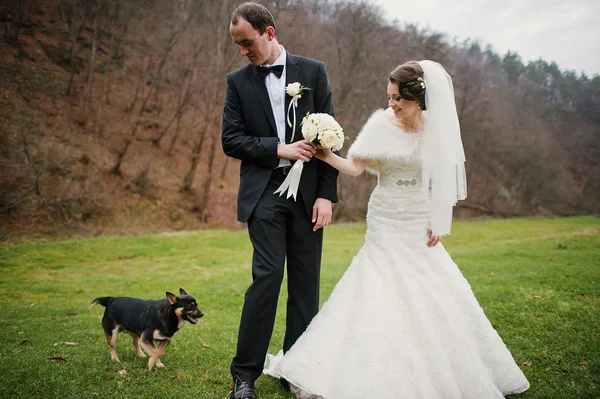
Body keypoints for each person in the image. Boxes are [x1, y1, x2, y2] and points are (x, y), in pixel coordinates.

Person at [263, 60, 530, 398]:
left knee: (431, 290)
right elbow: (356, 168)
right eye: (388, 97)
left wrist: (439, 219)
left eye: (396, 99)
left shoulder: (436, 127)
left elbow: (442, 178)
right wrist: (324, 152)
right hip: (386, 219)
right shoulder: (380, 124)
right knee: (378, 286)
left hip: (419, 218)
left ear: (417, 98)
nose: (390, 104)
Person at [221, 3, 339, 399]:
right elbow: (231, 140)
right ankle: (244, 377)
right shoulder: (237, 82)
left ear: (269, 33)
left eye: (247, 42)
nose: (243, 51)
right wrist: (279, 149)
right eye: (237, 45)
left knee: (306, 284)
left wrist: (326, 194)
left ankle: (297, 368)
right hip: (264, 194)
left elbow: (332, 138)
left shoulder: (314, 71)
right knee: (267, 278)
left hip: (308, 197)